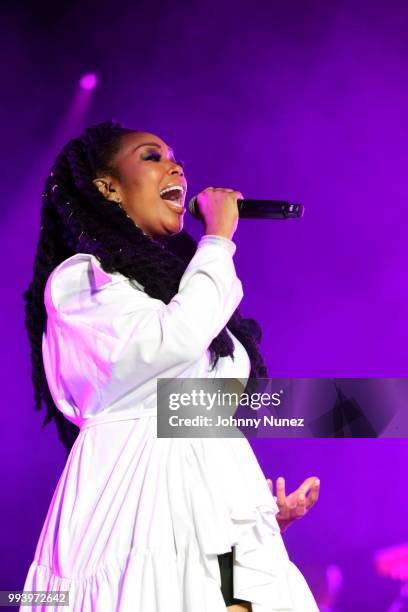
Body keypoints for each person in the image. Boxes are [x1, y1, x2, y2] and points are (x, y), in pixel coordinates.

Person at [22, 120, 320, 611]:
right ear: (107, 188)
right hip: (136, 521)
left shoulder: (177, 291)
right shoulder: (83, 283)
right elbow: (173, 343)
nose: (175, 165)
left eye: (174, 156)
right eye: (151, 156)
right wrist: (219, 239)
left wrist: (254, 515)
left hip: (217, 539)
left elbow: (201, 413)